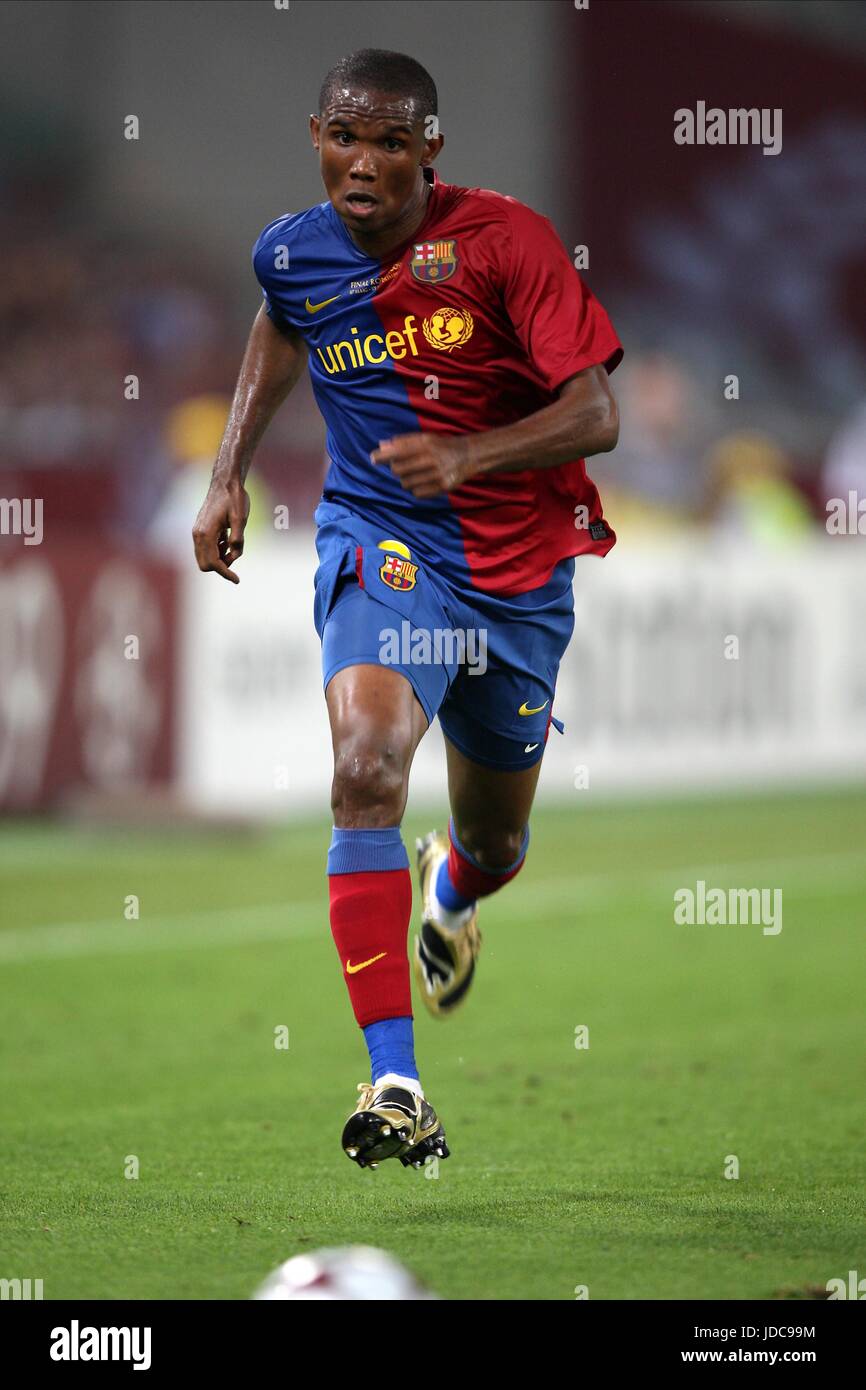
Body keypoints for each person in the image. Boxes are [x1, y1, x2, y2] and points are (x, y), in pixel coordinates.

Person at [193, 48, 622, 1171]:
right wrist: (227, 466)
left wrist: (471, 453)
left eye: (391, 141)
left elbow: (594, 413)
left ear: (431, 149)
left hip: (518, 573)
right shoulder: (291, 251)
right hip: (382, 542)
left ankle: (453, 888)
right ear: (315, 135)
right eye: (345, 136)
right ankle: (396, 1084)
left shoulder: (507, 244)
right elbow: (281, 322)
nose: (363, 163)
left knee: (494, 836)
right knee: (366, 766)